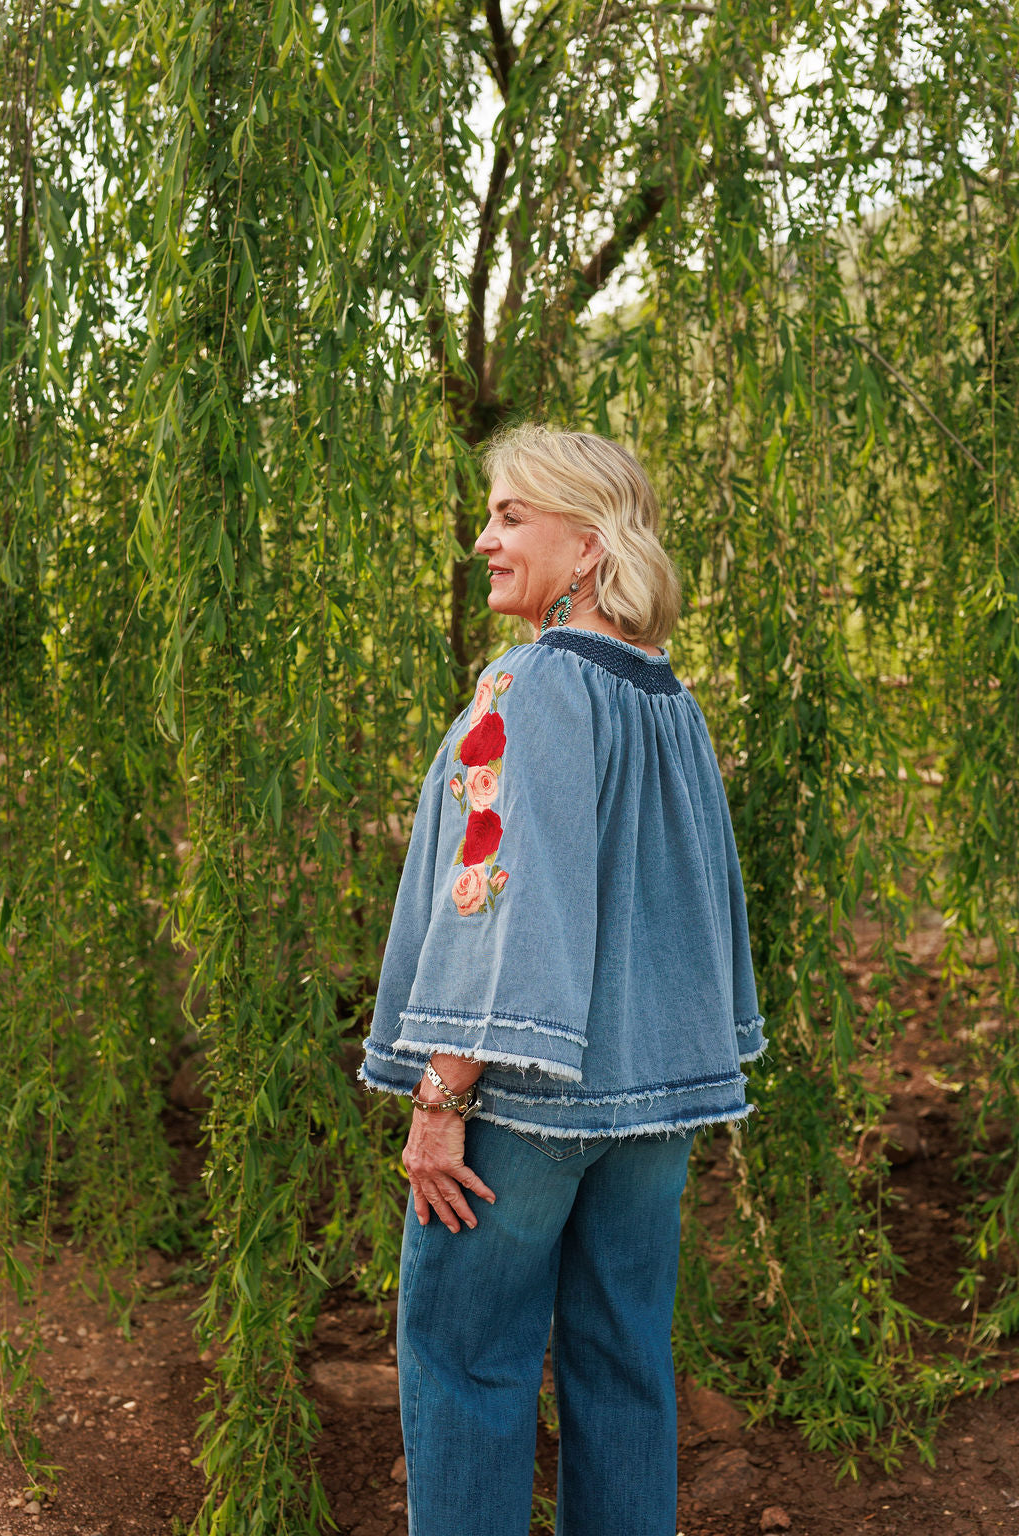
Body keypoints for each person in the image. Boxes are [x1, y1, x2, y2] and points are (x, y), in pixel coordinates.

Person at [360, 422, 766, 1536]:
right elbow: (695, 904)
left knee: (463, 1361)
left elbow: (495, 901)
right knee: (624, 1365)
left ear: (587, 546)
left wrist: (440, 1096)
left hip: (524, 1106)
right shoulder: (667, 700)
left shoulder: (529, 684)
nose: (483, 540)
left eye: (509, 516)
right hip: (651, 1103)